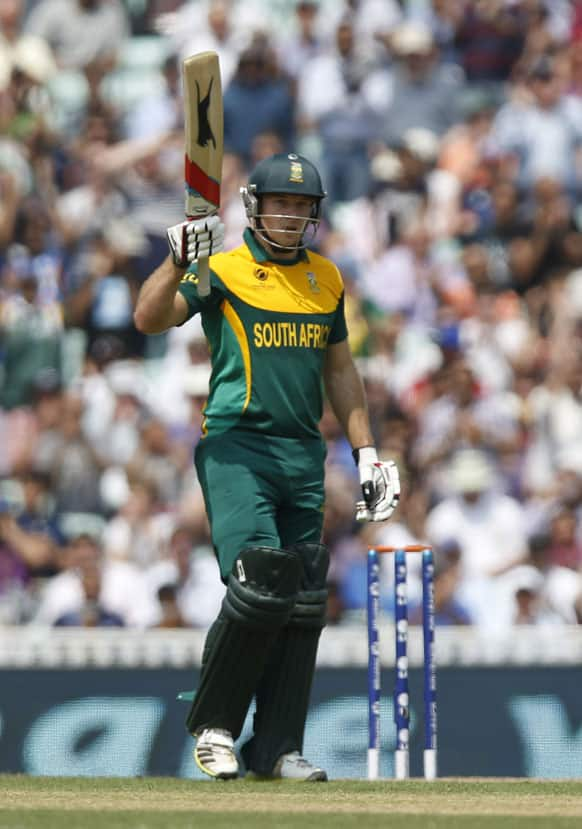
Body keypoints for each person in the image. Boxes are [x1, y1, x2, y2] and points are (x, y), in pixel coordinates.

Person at [133, 152, 400, 782]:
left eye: (303, 206)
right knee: (259, 578)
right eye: (281, 203)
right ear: (255, 206)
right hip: (237, 446)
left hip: (303, 452)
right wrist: (176, 258)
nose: (291, 215)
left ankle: (276, 747)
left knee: (304, 590)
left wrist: (366, 452)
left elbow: (341, 370)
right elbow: (147, 319)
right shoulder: (221, 269)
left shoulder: (327, 278)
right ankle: (216, 727)